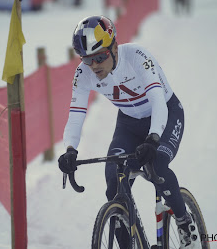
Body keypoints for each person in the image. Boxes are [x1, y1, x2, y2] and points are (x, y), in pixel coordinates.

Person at [58, 15, 197, 248]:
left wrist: (153, 139)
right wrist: (70, 149)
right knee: (114, 180)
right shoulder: (83, 74)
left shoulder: (137, 57)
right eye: (87, 59)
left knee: (157, 166)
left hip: (165, 113)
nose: (94, 66)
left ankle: (184, 222)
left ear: (113, 46)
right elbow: (76, 114)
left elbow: (157, 101)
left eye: (100, 57)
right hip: (129, 123)